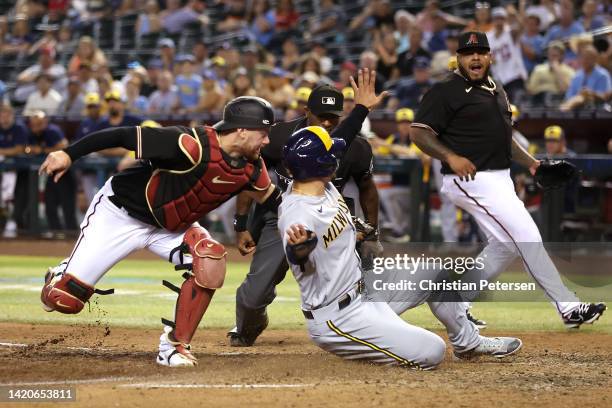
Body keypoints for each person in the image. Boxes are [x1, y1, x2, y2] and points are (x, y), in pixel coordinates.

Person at [38, 96, 281, 367]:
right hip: (120, 215)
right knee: (63, 300)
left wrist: (250, 224)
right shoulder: (189, 143)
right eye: (264, 132)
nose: (267, 141)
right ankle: (60, 275)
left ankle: (174, 346)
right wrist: (68, 154)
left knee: (210, 258)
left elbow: (271, 199)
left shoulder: (251, 166)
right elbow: (122, 135)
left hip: (171, 228)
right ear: (242, 130)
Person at [278, 126, 522, 367]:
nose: (336, 156)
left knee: (434, 274)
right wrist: (300, 250)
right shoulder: (298, 214)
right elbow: (297, 254)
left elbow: (331, 226)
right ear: (321, 163)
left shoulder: (323, 187)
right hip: (339, 316)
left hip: (365, 289)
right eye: (331, 153)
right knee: (432, 351)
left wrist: (355, 231)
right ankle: (375, 356)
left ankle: (468, 343)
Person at [409, 31, 606, 329]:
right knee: (527, 235)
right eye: (468, 52)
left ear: (489, 56)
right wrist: (450, 157)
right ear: (459, 58)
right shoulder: (445, 90)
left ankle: (455, 303)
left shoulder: (496, 88)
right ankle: (568, 306)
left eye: (480, 51)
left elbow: (505, 138)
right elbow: (418, 132)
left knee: (504, 245)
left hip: (499, 178)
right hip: (470, 178)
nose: (475, 57)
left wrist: (534, 164)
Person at [228, 70, 386, 347]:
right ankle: (248, 326)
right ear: (306, 111)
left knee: (369, 272)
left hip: (335, 220)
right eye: (319, 116)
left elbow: (367, 189)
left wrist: (372, 231)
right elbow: (252, 178)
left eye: (332, 117)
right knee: (253, 295)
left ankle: (370, 327)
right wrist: (242, 225)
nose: (326, 122)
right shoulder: (277, 137)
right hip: (283, 218)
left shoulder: (354, 146)